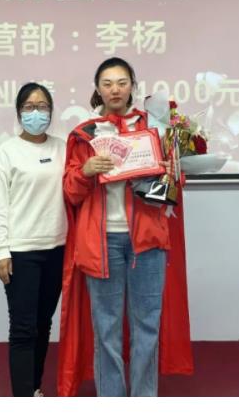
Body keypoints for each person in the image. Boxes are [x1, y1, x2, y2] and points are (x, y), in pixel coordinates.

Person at [57, 57, 194, 397]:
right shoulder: (84, 135)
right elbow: (71, 193)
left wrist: (169, 171)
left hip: (147, 241)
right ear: (97, 89)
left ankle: (143, 399)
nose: (115, 89)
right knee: (106, 329)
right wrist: (86, 171)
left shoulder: (156, 128)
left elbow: (175, 185)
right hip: (101, 243)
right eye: (107, 83)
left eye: (121, 82)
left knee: (148, 325)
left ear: (132, 85)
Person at [0, 82, 67, 397]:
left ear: (51, 111)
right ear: (19, 112)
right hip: (20, 252)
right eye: (30, 107)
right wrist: (0, 251)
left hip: (58, 248)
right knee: (23, 328)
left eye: (43, 106)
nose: (37, 113)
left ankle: (33, 389)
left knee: (43, 324)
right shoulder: (7, 151)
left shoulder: (63, 148)